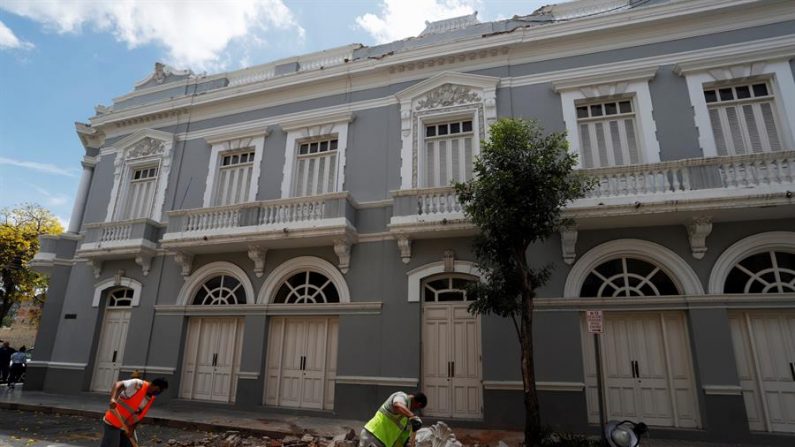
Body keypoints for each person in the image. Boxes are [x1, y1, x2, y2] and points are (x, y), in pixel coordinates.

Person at [100, 377, 168, 447]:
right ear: (155, 387)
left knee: (129, 444)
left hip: (126, 426)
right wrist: (113, 398)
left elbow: (138, 415)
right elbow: (118, 384)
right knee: (112, 444)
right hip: (113, 421)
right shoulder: (137, 384)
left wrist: (132, 429)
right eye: (160, 390)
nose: (159, 393)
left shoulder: (149, 398)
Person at [359, 391, 427, 447]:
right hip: (372, 435)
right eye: (418, 409)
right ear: (418, 404)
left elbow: (401, 440)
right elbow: (397, 405)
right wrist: (412, 416)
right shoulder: (401, 396)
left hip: (383, 443)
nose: (415, 411)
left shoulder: (406, 419)